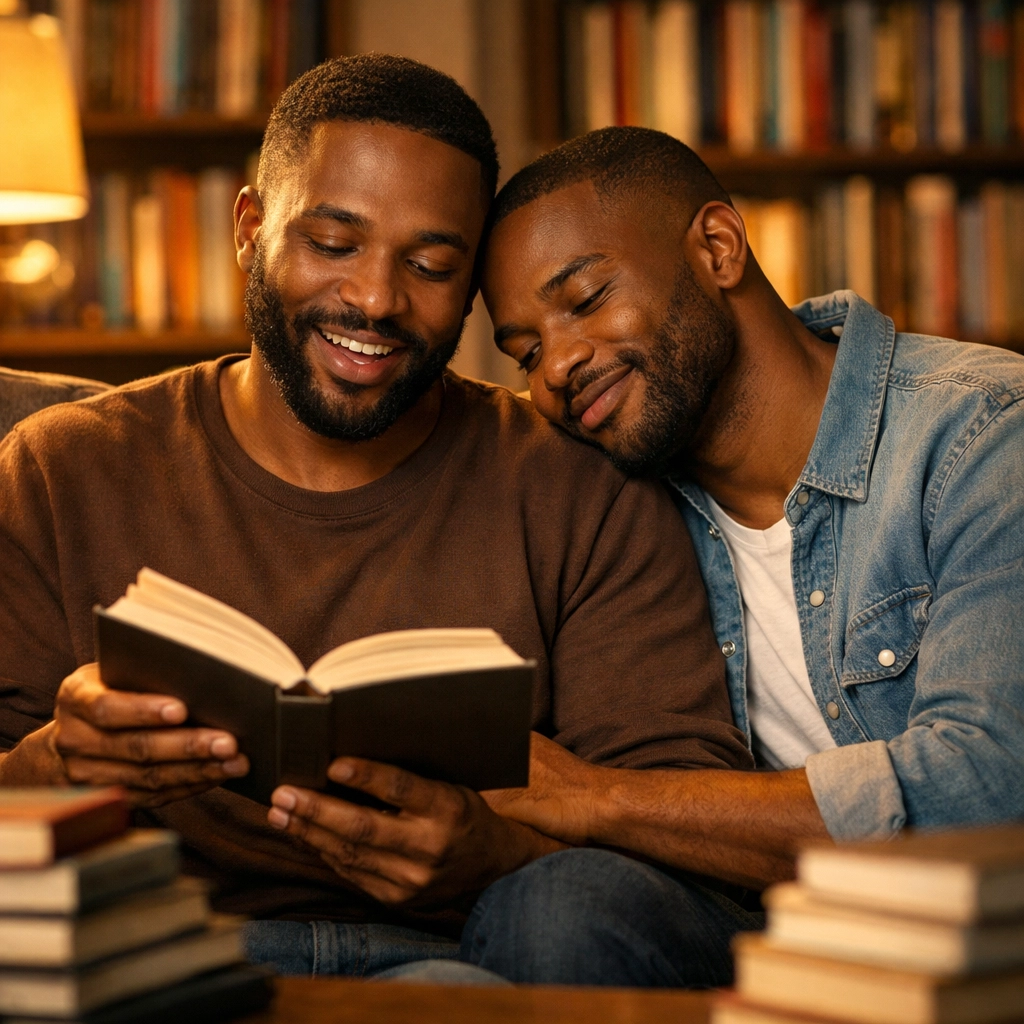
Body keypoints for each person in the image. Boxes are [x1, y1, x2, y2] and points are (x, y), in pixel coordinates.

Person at [0, 64, 752, 981]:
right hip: (153, 955)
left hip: (464, 956)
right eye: (332, 242)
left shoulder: (575, 481)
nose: (375, 300)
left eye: (431, 266)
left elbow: (666, 844)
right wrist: (53, 765)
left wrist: (500, 857)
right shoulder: (60, 466)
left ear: (473, 287)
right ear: (250, 231)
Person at [473, 126, 1024, 985]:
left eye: (584, 299)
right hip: (758, 927)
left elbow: (989, 787)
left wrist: (593, 795)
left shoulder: (981, 434)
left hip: (975, 939)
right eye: (527, 352)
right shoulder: (614, 502)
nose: (559, 367)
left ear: (718, 248)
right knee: (553, 908)